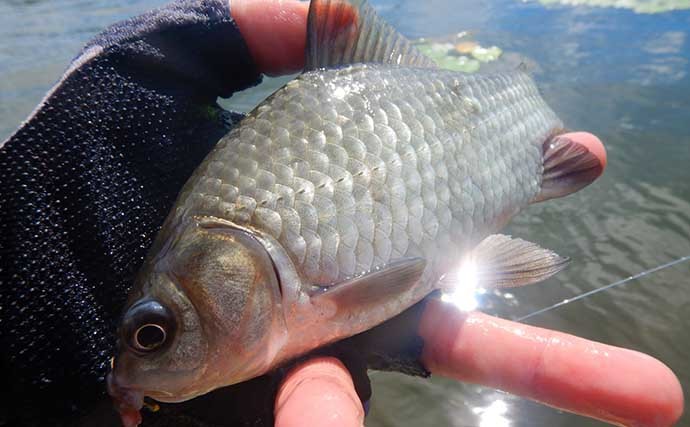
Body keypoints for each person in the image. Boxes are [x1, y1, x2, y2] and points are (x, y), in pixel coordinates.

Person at [0, 0, 682, 426]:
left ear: (231, 263)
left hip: (466, 121)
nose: (141, 358)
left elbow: (398, 276)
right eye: (150, 336)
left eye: (155, 333)